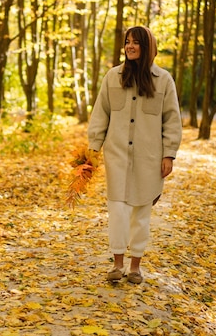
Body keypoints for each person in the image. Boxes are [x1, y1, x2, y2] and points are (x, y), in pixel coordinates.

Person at [87, 26, 182, 284]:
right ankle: (117, 264)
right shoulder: (112, 77)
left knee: (141, 212)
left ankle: (135, 266)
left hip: (149, 158)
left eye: (135, 42)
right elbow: (100, 114)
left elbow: (172, 120)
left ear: (147, 46)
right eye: (127, 42)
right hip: (116, 155)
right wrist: (92, 151)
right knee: (117, 209)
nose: (129, 46)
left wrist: (169, 154)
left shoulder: (163, 81)